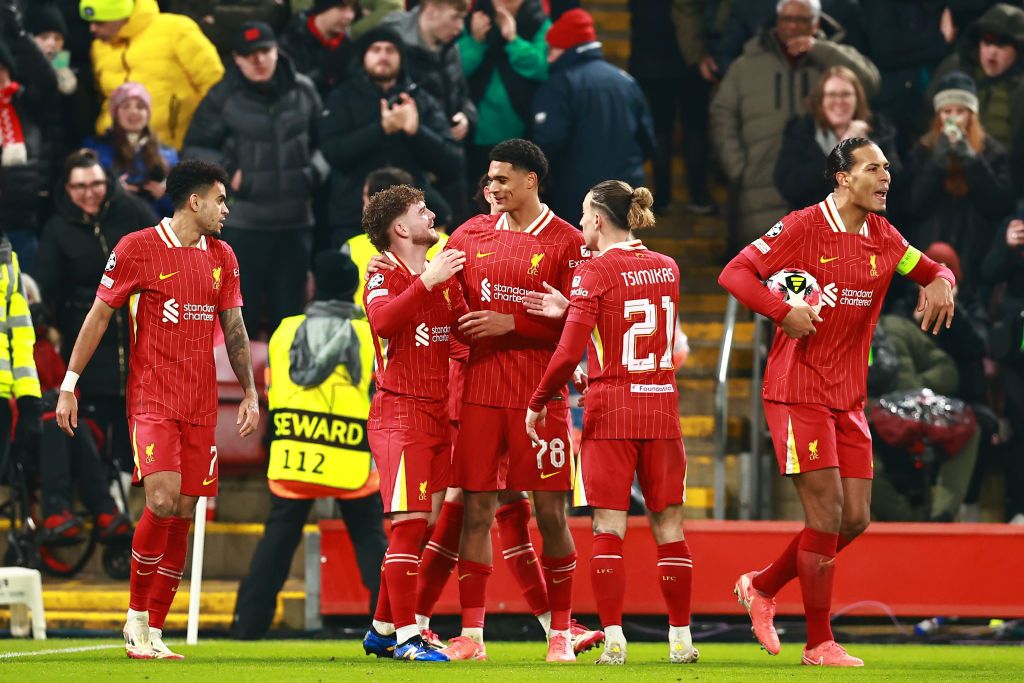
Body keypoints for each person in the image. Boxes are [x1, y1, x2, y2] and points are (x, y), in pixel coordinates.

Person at [717, 137, 956, 666]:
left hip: (847, 397)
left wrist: (943, 280)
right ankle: (818, 643)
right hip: (796, 388)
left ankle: (761, 585)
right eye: (874, 168)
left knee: (856, 518)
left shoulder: (884, 236)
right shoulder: (803, 226)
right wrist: (782, 310)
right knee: (826, 514)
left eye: (888, 168)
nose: (886, 176)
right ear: (842, 177)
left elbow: (930, 269)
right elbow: (734, 272)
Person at [54, 159, 260, 661]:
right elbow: (99, 315)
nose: (225, 209)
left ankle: (156, 631)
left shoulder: (223, 255)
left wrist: (250, 392)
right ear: (195, 202)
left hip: (199, 401)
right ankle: (136, 616)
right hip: (152, 396)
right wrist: (69, 384)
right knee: (162, 500)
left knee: (185, 511)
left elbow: (233, 329)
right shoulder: (137, 248)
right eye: (219, 199)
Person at [523, 180, 698, 665]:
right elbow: (625, 324)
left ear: (598, 219)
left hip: (611, 409)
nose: (580, 225)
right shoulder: (668, 267)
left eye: (583, 216)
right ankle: (681, 641)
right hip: (662, 406)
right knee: (669, 526)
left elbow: (567, 354)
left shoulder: (594, 272)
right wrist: (573, 308)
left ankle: (615, 640)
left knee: (607, 526)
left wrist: (538, 400)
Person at [434, 138, 586, 663]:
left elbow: (578, 328)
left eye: (502, 179)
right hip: (478, 394)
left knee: (550, 515)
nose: (491, 188)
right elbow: (444, 301)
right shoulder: (469, 234)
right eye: (489, 179)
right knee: (476, 511)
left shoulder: (567, 242)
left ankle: (561, 632)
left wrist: (513, 323)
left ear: (530, 181)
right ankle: (472, 635)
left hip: (538, 399)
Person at [233, 250, 388, 641]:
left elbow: (272, 388)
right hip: (350, 458)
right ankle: (391, 624)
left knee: (278, 542)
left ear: (314, 285)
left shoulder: (285, 330)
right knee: (371, 541)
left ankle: (247, 626)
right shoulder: (369, 333)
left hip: (294, 454)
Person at [358, 184, 470, 662]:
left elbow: (465, 339)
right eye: (422, 211)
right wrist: (428, 281)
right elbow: (382, 323)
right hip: (397, 412)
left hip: (437, 414)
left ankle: (383, 628)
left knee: (420, 525)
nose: (434, 214)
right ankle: (407, 637)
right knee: (409, 523)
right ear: (400, 228)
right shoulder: (383, 277)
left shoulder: (443, 277)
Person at [184, 21, 325, 338]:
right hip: (244, 224)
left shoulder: (303, 90)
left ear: (277, 51)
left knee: (289, 318)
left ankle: (284, 385)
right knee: (237, 315)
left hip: (296, 222)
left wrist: (312, 174)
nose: (258, 60)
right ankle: (242, 387)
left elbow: (326, 144)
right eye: (249, 55)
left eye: (264, 51)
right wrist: (230, 175)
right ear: (236, 58)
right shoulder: (222, 97)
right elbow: (195, 149)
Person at [709, 0, 879, 250]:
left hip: (818, 189)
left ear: (816, 23)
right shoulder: (747, 64)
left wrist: (820, 49)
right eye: (786, 19)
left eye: (801, 20)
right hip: (759, 188)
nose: (792, 26)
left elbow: (871, 83)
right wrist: (738, 168)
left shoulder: (832, 58)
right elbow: (722, 113)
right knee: (763, 274)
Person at [36, 149, 157, 477]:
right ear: (67, 189)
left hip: (137, 333)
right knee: (97, 419)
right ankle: (105, 494)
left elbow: (163, 256)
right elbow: (45, 287)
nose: (89, 193)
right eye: (80, 187)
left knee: (133, 415)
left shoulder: (133, 212)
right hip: (87, 335)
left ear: (108, 182)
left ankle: (127, 481)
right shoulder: (57, 229)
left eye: (96, 184)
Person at [318, 26, 463, 245]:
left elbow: (453, 161)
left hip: (413, 220)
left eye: (390, 50)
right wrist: (381, 129)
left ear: (401, 57)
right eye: (376, 49)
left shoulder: (421, 99)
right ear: (364, 56)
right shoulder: (341, 97)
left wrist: (417, 132)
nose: (383, 56)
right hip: (353, 217)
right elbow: (332, 152)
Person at [530, 8, 655, 223]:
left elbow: (548, 142)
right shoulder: (626, 82)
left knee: (581, 255)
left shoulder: (560, 85)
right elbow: (647, 142)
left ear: (565, 48)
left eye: (551, 50)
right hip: (623, 195)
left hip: (576, 200)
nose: (548, 58)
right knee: (620, 254)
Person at [903, 70, 1014, 304]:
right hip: (930, 244)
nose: (953, 119)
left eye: (960, 112)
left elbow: (997, 206)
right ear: (938, 116)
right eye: (947, 112)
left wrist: (972, 160)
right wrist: (937, 162)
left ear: (972, 115)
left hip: (973, 248)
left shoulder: (992, 153)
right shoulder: (922, 151)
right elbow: (914, 205)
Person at [79, 0, 224, 150]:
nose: (92, 28)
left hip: (178, 149)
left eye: (99, 22)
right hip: (120, 152)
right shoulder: (98, 48)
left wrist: (202, 139)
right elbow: (105, 98)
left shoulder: (176, 29)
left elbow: (215, 87)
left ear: (120, 17)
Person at [382, 0, 476, 223]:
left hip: (450, 163)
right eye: (455, 17)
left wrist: (466, 116)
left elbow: (463, 94)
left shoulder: (451, 49)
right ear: (432, 10)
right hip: (410, 169)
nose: (460, 27)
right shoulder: (392, 49)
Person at [775, 66, 901, 214]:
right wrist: (842, 150)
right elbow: (789, 186)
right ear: (821, 100)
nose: (839, 101)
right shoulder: (801, 132)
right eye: (831, 95)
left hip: (867, 229)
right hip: (815, 228)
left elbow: (897, 185)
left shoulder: (879, 131)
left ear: (858, 99)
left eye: (845, 94)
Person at [931, 3, 1024, 185]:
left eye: (1002, 45)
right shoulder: (954, 71)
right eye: (987, 42)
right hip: (947, 179)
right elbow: (924, 125)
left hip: (1004, 185)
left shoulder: (1020, 89)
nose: (992, 51)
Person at [456, 0, 550, 179]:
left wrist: (513, 39)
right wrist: (475, 42)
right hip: (474, 132)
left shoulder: (539, 22)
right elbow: (454, 69)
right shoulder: (470, 19)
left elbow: (542, 68)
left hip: (522, 131)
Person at [85, 82, 179, 217]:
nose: (133, 111)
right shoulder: (96, 147)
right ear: (115, 113)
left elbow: (180, 207)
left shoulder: (168, 154)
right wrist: (114, 191)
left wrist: (164, 195)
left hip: (154, 227)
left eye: (140, 107)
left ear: (148, 113)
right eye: (126, 106)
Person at [280, 0, 358, 98]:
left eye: (353, 9)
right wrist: (323, 74)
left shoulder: (349, 48)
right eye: (341, 8)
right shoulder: (292, 40)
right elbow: (286, 92)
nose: (349, 16)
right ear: (323, 8)